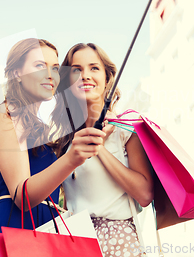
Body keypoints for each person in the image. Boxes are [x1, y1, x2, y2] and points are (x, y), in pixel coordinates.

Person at [0, 38, 106, 257]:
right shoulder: (8, 113)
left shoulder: (39, 128)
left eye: (54, 67)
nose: (50, 74)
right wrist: (71, 159)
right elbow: (22, 196)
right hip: (15, 230)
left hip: (43, 232)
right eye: (40, 66)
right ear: (16, 74)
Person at [54, 43, 154, 257]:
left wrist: (98, 147)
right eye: (76, 70)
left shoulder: (126, 130)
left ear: (108, 79)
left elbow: (145, 195)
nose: (85, 76)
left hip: (118, 243)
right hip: (75, 243)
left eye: (94, 68)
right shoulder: (65, 140)